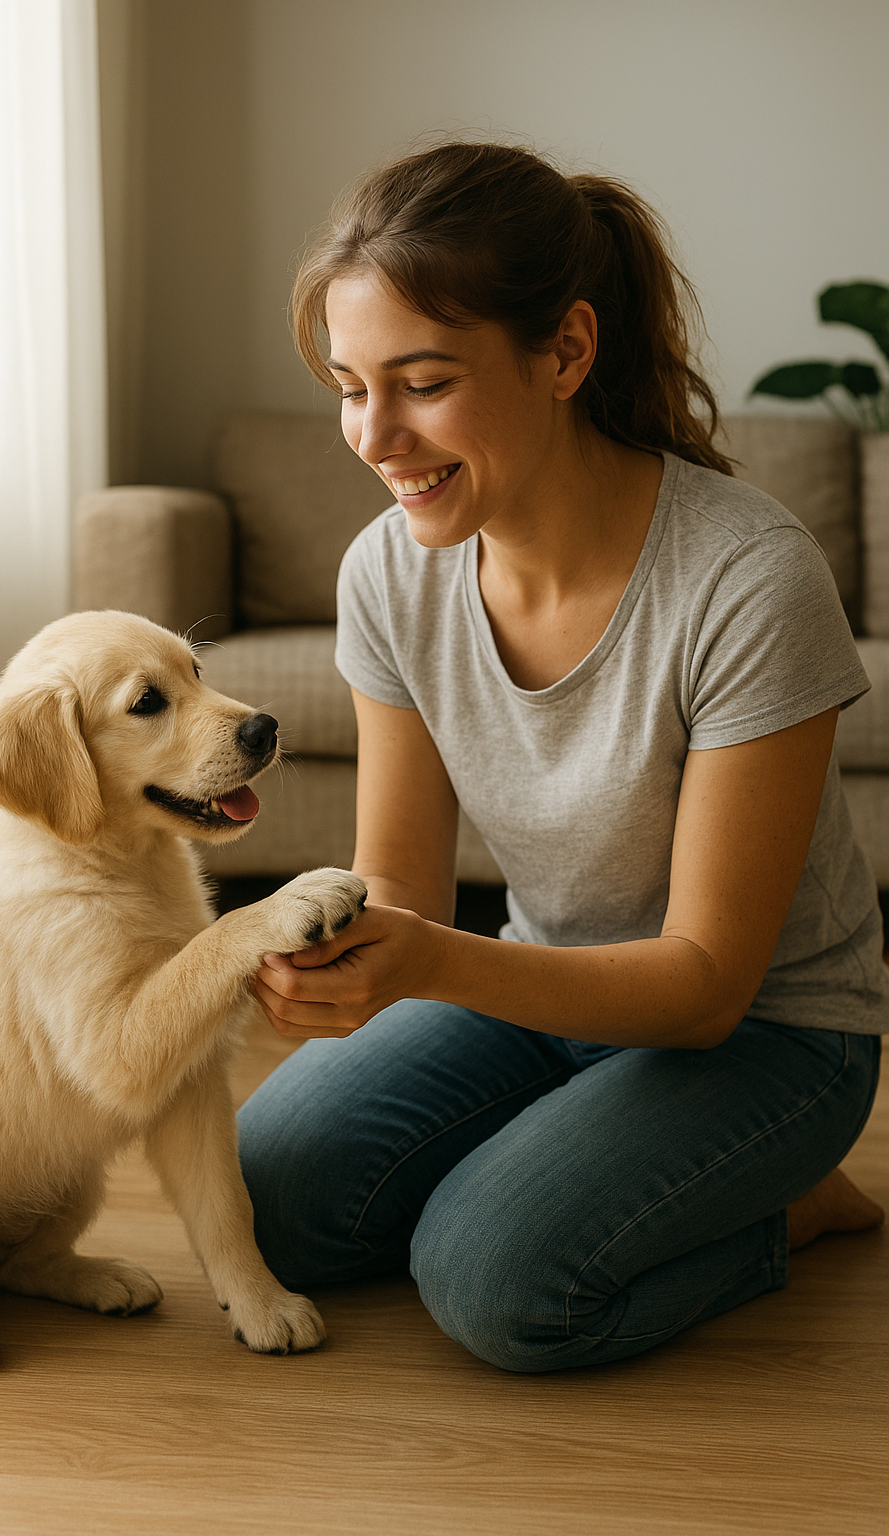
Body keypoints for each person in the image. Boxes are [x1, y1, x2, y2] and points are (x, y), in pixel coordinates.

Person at [237, 142, 888, 1373]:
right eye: (346, 384)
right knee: (269, 1197)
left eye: (422, 383)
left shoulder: (745, 578)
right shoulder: (389, 571)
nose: (375, 436)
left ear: (566, 354)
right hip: (543, 989)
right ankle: (585, 1142)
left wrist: (428, 963)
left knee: (495, 1284)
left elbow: (702, 986)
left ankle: (795, 1204)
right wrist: (306, 952)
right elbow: (404, 893)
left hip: (768, 1035)